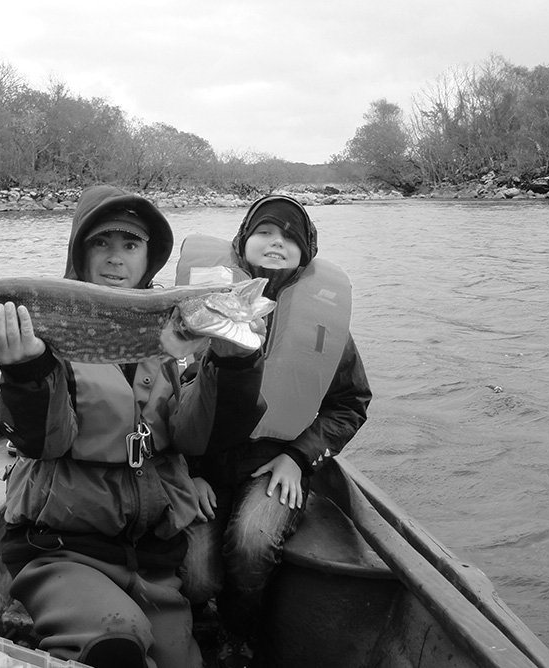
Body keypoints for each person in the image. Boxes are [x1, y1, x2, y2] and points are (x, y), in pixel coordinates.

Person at [0, 185, 265, 668]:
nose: (115, 259)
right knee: (115, 646)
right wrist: (26, 372)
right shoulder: (47, 331)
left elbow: (195, 436)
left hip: (150, 558)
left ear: (148, 258)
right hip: (63, 551)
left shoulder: (167, 336)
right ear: (79, 253)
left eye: (130, 246)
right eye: (100, 244)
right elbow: (44, 442)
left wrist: (235, 368)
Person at [177, 195, 372, 663]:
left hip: (275, 464)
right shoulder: (194, 305)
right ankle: (190, 622)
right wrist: (183, 470)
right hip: (198, 463)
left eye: (290, 237)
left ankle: (238, 636)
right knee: (197, 574)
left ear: (307, 252)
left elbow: (350, 404)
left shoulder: (328, 323)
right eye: (265, 232)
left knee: (252, 543)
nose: (276, 243)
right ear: (243, 241)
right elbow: (160, 392)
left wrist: (300, 456)